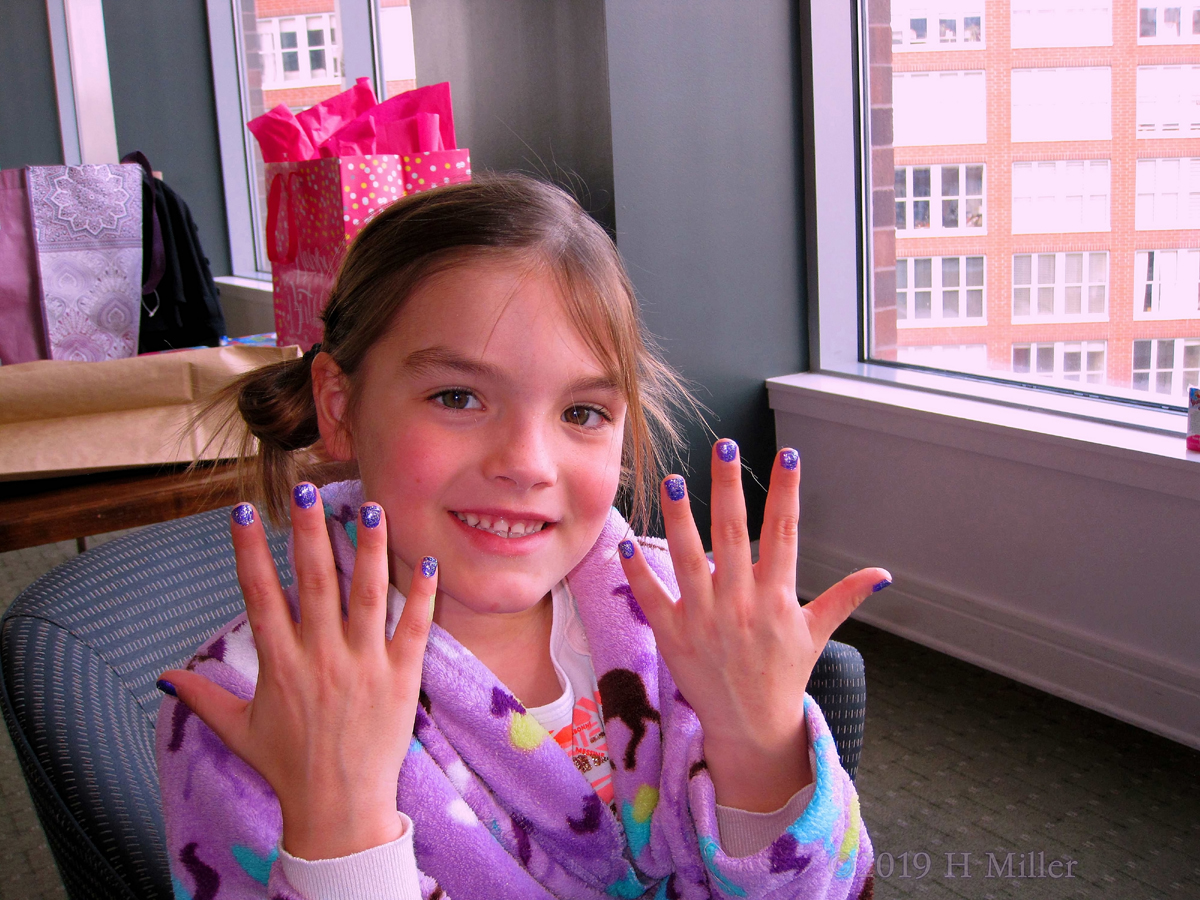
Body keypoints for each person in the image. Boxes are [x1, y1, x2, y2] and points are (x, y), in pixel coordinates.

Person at [155, 175, 890, 900]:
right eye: (458, 397)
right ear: (340, 406)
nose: (527, 465)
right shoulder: (261, 706)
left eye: (582, 413)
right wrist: (340, 831)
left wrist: (759, 745)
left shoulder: (690, 618)